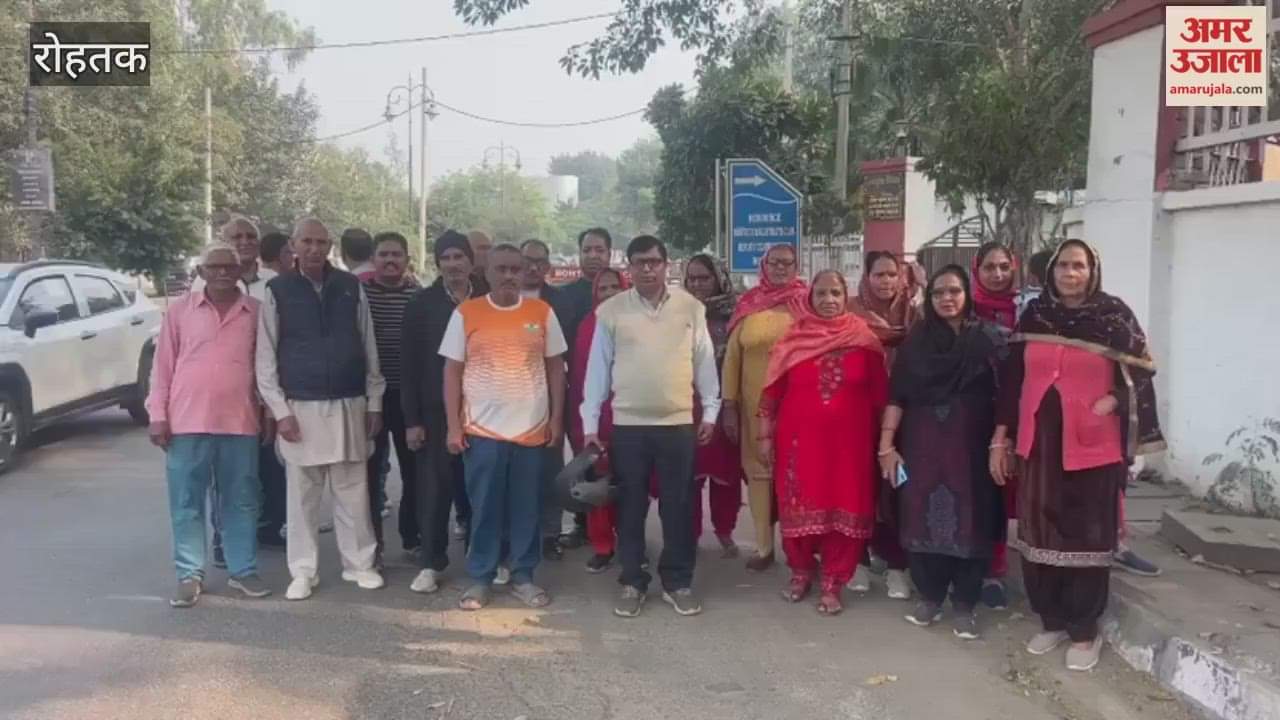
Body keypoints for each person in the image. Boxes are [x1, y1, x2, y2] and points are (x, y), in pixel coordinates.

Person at [990, 239, 1165, 672]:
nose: (1070, 273)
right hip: (1038, 445)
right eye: (1063, 265)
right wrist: (1002, 437)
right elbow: (1013, 379)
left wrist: (1111, 401)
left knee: (1086, 536)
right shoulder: (1036, 316)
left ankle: (1085, 630)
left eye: (1079, 266)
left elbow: (1141, 373)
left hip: (1093, 447)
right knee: (1039, 533)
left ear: (1093, 271)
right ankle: (1051, 618)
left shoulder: (1113, 316)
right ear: (1050, 272)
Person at [582, 235, 720, 618]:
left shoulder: (691, 308)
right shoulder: (611, 311)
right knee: (630, 507)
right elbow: (598, 369)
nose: (647, 268)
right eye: (639, 262)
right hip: (628, 426)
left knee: (678, 506)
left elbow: (704, 361)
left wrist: (709, 412)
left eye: (654, 262)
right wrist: (590, 423)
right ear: (628, 266)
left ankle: (678, 581)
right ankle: (632, 580)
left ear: (666, 264)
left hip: (677, 424)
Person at [256, 218, 386, 601]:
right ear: (293, 247)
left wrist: (374, 400)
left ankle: (360, 564)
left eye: (321, 242)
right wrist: (280, 411)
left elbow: (369, 345)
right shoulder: (277, 290)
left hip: (349, 402)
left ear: (330, 246)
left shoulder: (349, 288)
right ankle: (302, 571)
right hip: (300, 405)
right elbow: (265, 357)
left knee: (353, 491)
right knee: (302, 497)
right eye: (306, 242)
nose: (314, 249)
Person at [880, 265, 1006, 639]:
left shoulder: (988, 340)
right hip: (922, 447)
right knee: (920, 514)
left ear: (966, 294)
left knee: (973, 518)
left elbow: (1006, 398)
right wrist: (886, 444)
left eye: (953, 291)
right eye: (938, 293)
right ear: (929, 299)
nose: (946, 299)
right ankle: (931, 597)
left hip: (972, 447)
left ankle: (965, 604)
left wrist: (1001, 441)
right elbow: (897, 396)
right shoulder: (916, 343)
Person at [441, 244, 567, 611]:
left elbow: (556, 367)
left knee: (526, 507)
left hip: (531, 429)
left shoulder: (541, 312)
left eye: (516, 268)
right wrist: (453, 426)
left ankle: (523, 576)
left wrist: (556, 419)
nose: (510, 275)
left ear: (526, 270)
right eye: (502, 269)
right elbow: (452, 371)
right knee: (485, 508)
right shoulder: (468, 313)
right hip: (482, 430)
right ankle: (480, 578)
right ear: (488, 272)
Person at [147, 243, 271, 607]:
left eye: (228, 267)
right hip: (186, 421)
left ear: (240, 271)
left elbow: (265, 368)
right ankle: (189, 574)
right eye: (213, 267)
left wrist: (267, 412)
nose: (222, 273)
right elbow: (163, 366)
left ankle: (242, 570)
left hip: (240, 420)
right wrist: (158, 415)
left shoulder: (256, 312)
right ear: (200, 273)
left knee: (242, 500)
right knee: (186, 502)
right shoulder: (180, 312)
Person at [756, 270, 886, 616]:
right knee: (797, 506)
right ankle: (800, 572)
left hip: (851, 446)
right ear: (809, 299)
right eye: (822, 294)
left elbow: (880, 398)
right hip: (800, 443)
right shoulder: (792, 340)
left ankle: (833, 581)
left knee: (848, 507)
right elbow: (771, 393)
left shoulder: (865, 341)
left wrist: (885, 442)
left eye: (836, 293)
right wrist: (765, 437)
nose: (829, 300)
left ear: (846, 297)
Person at [401, 231, 487, 595]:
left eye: (459, 257)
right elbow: (408, 366)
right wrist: (412, 420)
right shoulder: (421, 304)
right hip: (435, 413)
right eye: (446, 258)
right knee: (435, 490)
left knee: (482, 489)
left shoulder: (489, 299)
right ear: (438, 264)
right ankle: (432, 562)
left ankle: (483, 556)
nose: (453, 264)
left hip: (484, 410)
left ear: (471, 261)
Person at [191, 217, 281, 559]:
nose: (244, 241)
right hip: (219, 403)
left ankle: (268, 529)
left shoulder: (274, 284)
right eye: (236, 236)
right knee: (225, 477)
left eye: (250, 236)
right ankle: (223, 540)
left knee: (264, 471)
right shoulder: (202, 291)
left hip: (263, 396)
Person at [721, 244, 807, 572]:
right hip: (753, 409)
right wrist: (729, 405)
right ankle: (763, 546)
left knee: (797, 478)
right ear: (764, 265)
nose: (781, 268)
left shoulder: (807, 303)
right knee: (759, 475)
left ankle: (801, 549)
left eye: (787, 263)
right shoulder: (749, 305)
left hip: (798, 407)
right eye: (775, 263)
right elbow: (732, 359)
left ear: (797, 266)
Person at [847, 250, 921, 599]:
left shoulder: (916, 315)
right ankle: (858, 560)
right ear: (866, 276)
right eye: (879, 274)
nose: (887, 281)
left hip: (905, 416)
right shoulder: (850, 315)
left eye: (893, 274)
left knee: (896, 487)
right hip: (859, 414)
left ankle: (896, 567)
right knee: (859, 487)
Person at [363, 232, 420, 566]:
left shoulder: (419, 296)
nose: (390, 260)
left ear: (407, 260)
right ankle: (373, 546)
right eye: (384, 254)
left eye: (397, 255)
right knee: (369, 474)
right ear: (373, 259)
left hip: (408, 397)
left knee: (414, 472)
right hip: (371, 397)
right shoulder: (360, 296)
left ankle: (412, 537)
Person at [567, 268, 628, 572]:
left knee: (630, 486)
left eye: (614, 287)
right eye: (602, 288)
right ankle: (603, 545)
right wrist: (584, 426)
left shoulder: (638, 323)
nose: (608, 293)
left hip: (632, 418)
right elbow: (580, 381)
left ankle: (631, 544)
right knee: (597, 484)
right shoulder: (587, 326)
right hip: (596, 420)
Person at [682, 254, 743, 558]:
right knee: (687, 475)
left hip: (726, 405)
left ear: (719, 278)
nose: (697, 285)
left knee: (725, 476)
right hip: (686, 406)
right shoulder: (677, 313)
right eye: (691, 278)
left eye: (703, 278)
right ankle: (689, 533)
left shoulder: (737, 315)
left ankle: (724, 530)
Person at [556, 227, 614, 548]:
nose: (593, 255)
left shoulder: (622, 298)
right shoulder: (565, 297)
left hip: (617, 399)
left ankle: (617, 528)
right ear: (579, 253)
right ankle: (583, 524)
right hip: (577, 391)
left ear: (609, 254)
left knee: (616, 463)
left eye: (599, 250)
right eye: (587, 249)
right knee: (584, 461)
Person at [520, 239, 577, 561]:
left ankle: (550, 533)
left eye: (539, 262)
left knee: (550, 467)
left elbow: (566, 352)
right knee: (518, 470)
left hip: (552, 393)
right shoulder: (503, 298)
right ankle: (520, 533)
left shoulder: (561, 302)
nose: (532, 268)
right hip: (511, 396)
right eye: (527, 260)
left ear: (548, 268)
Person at [971, 242, 1020, 610]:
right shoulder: (964, 307)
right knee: (971, 492)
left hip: (1015, 414)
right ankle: (970, 565)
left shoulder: (1028, 310)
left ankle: (996, 570)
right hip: (970, 416)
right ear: (977, 269)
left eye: (1004, 266)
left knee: (1002, 492)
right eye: (990, 267)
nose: (998, 274)